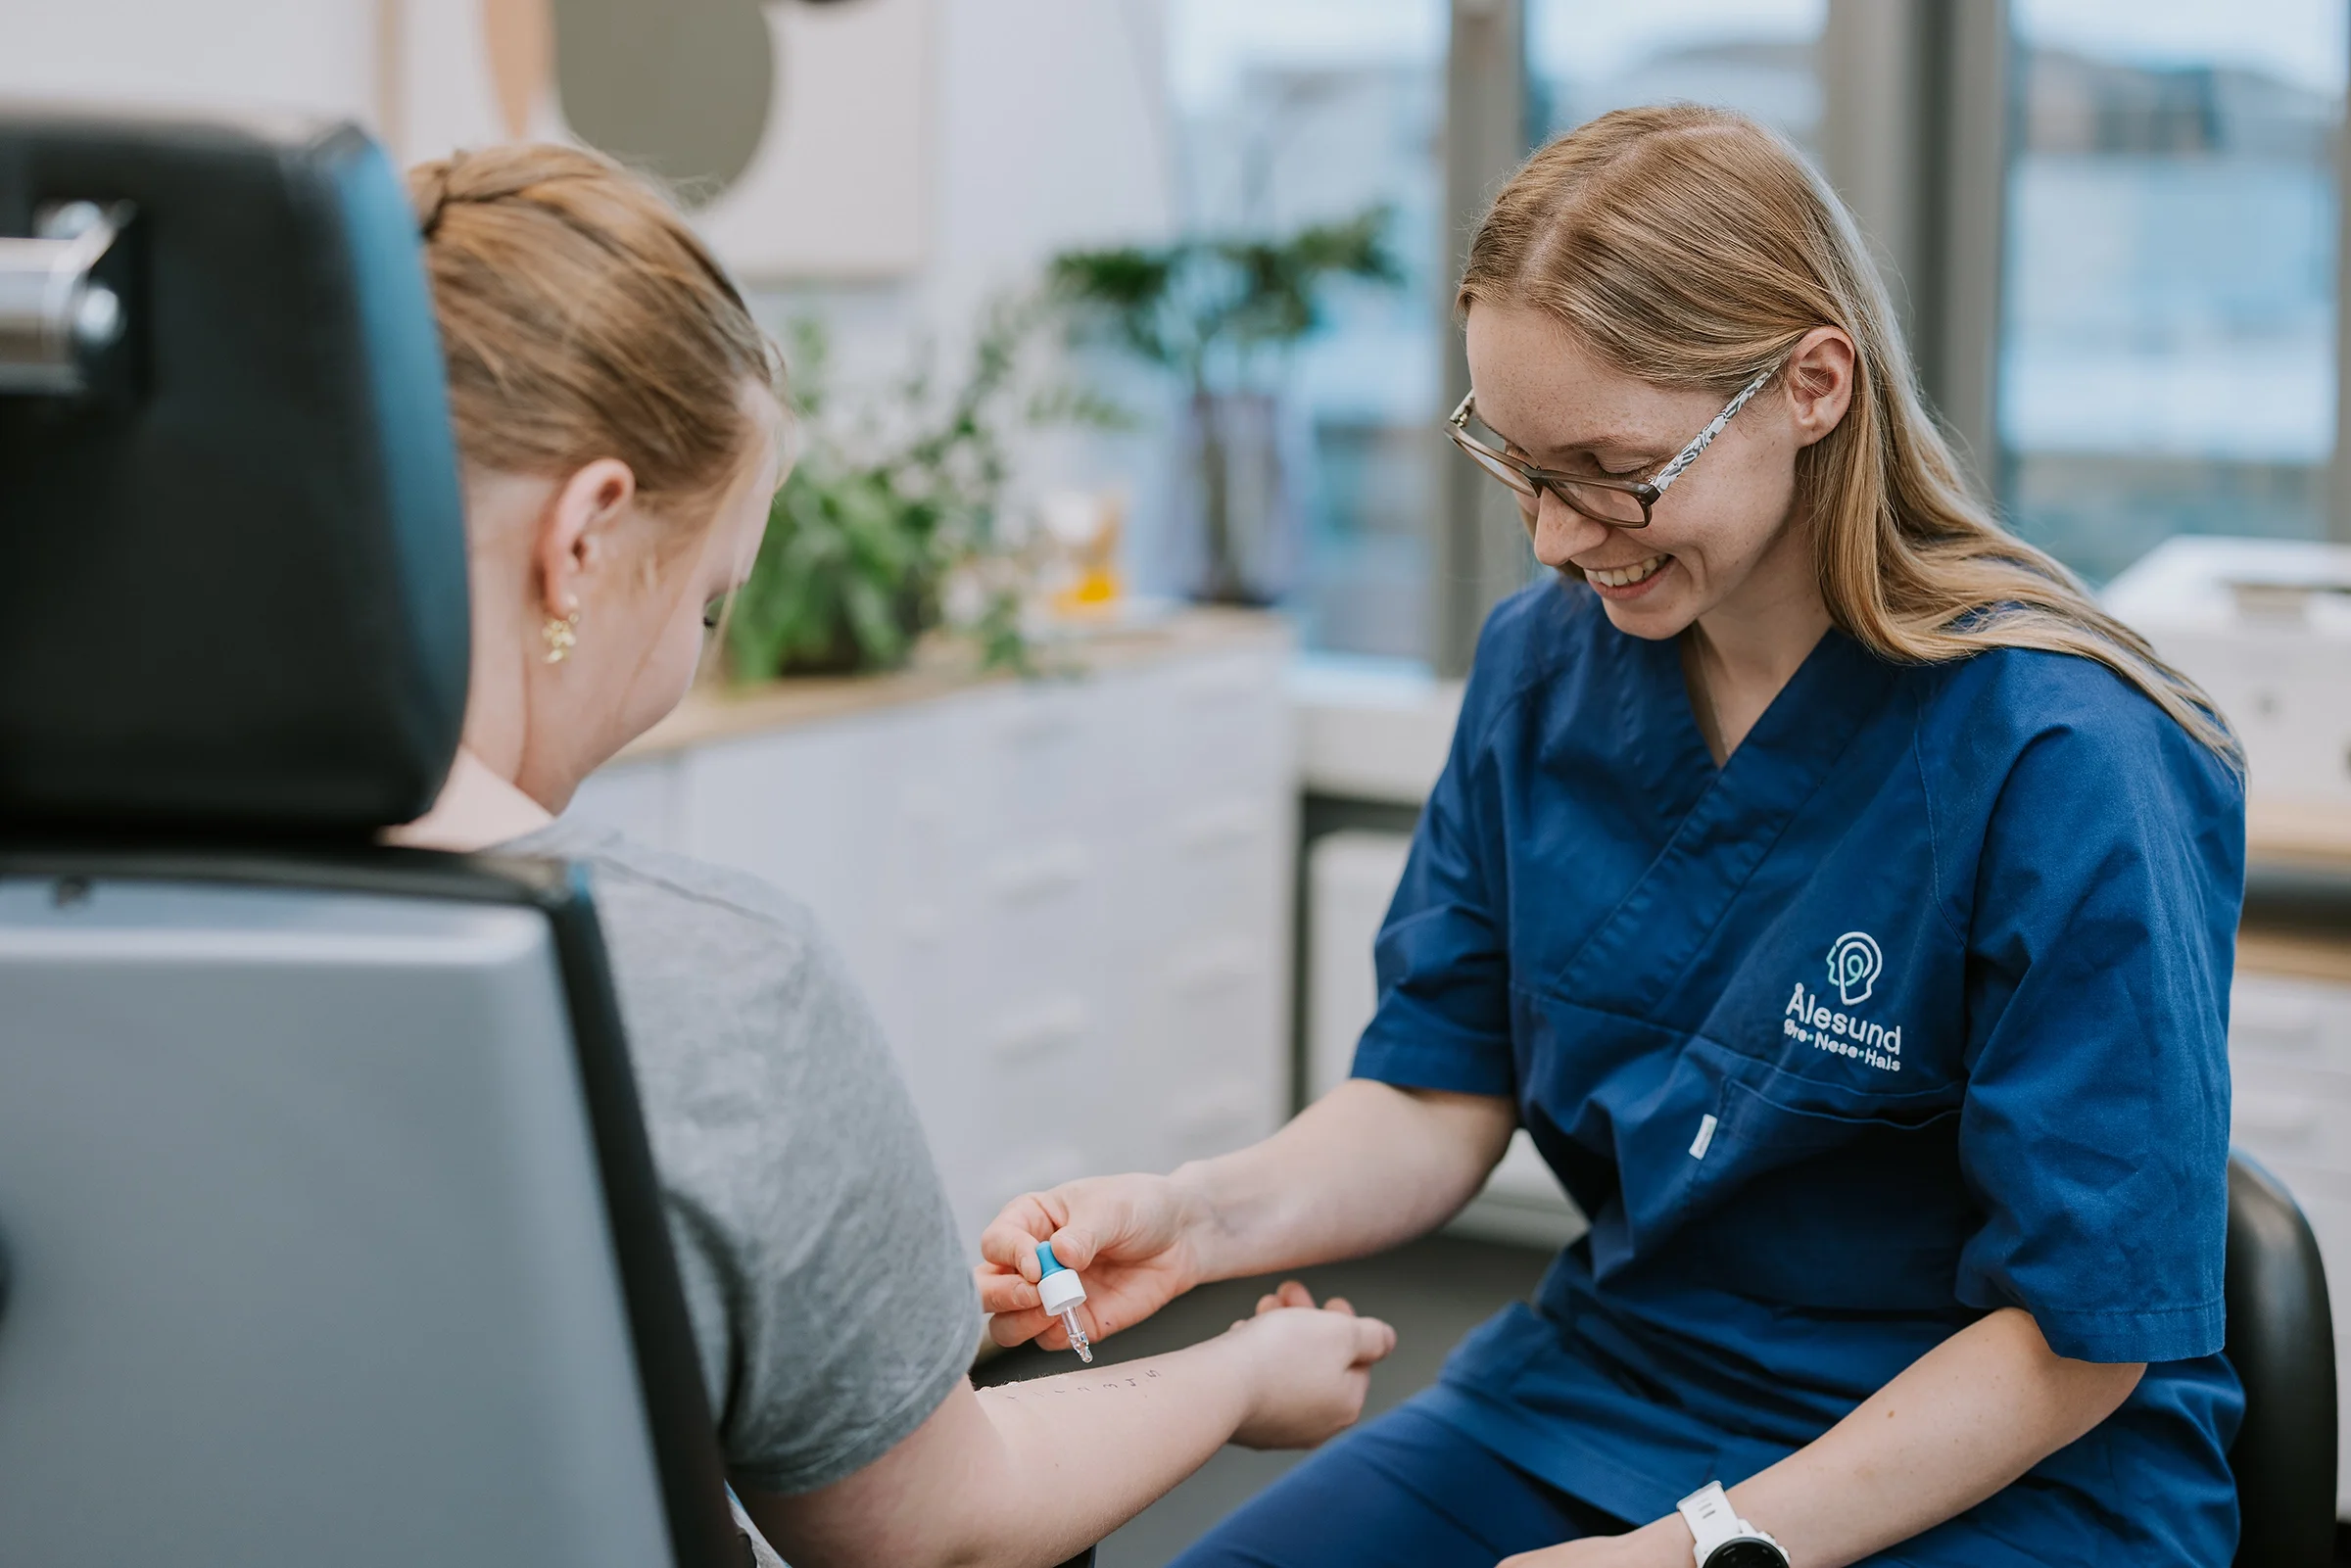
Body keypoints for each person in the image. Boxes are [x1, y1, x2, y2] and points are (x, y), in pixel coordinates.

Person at [978, 105, 2245, 1568]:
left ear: (1812, 386)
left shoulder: (2068, 754)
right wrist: (1197, 1221)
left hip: (1999, 1465)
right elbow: (1440, 1090)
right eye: (1516, 463)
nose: (1555, 536)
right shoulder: (1545, 671)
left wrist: (1693, 1550)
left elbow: (2082, 1336)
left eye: (1611, 466)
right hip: (1615, 1387)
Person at [384, 142, 1396, 1568]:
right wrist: (1240, 1374)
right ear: (585, 540)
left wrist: (862, 1333)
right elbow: (941, 1534)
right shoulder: (703, 979)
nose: (688, 657)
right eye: (710, 604)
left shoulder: (84, 898)